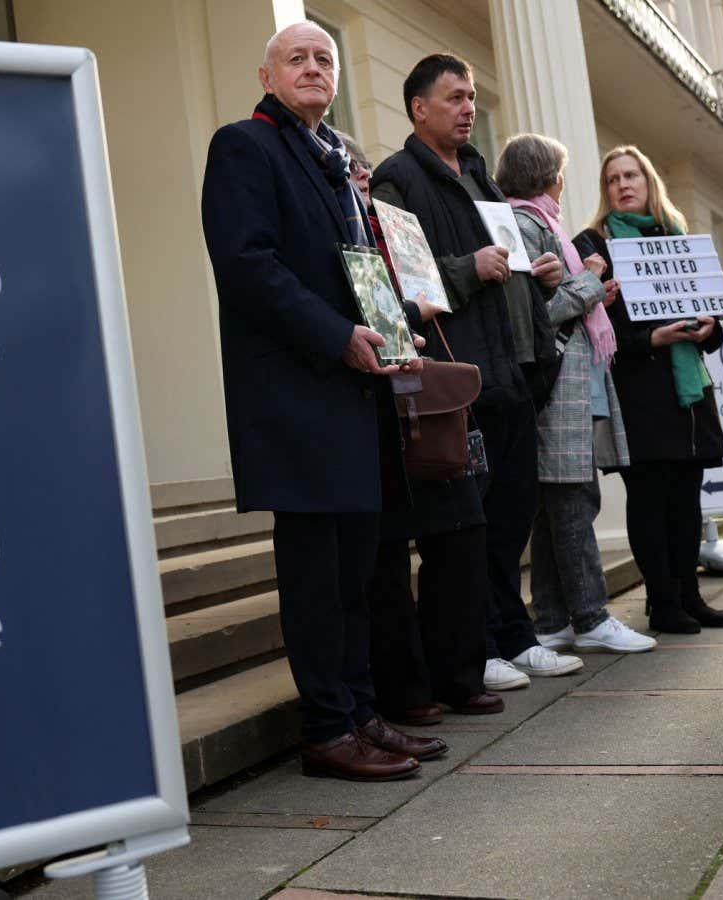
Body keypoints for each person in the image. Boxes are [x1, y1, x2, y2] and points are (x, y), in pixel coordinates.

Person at [201, 21, 444, 781]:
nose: (314, 68)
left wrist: (391, 323)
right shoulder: (245, 145)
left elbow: (354, 265)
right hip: (297, 394)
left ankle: (363, 712)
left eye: (324, 60)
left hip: (355, 389)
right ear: (267, 76)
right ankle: (327, 729)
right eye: (297, 58)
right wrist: (337, 333)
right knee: (316, 575)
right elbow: (247, 264)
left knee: (360, 571)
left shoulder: (335, 158)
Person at [370, 54, 584, 690]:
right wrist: (469, 269)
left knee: (510, 517)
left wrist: (538, 276)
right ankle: (475, 645)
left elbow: (505, 265)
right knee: (464, 527)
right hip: (459, 380)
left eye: (470, 98)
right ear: (419, 108)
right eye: (455, 98)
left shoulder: (482, 176)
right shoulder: (397, 179)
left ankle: (513, 637)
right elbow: (398, 277)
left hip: (514, 373)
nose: (468, 108)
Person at [337, 129, 503, 723]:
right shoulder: (334, 237)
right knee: (385, 559)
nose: (357, 183)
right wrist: (413, 311)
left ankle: (459, 674)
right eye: (348, 175)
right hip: (368, 405)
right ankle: (407, 692)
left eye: (359, 173)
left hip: (427, 398)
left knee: (462, 531)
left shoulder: (395, 230)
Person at [495, 134, 656, 653]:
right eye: (560, 173)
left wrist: (591, 295)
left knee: (556, 506)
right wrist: (589, 282)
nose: (563, 184)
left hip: (570, 386)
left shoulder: (540, 222)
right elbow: (535, 318)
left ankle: (552, 619)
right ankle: (591, 618)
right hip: (558, 390)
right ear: (549, 177)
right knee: (573, 503)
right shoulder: (525, 223)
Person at [574, 146, 723, 633]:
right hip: (636, 391)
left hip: (688, 393)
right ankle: (663, 604)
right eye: (613, 179)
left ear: (649, 182)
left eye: (631, 175)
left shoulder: (678, 237)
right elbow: (594, 331)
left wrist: (709, 329)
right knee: (649, 497)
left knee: (687, 497)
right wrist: (651, 339)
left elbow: (715, 320)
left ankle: (690, 595)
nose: (623, 185)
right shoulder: (592, 245)